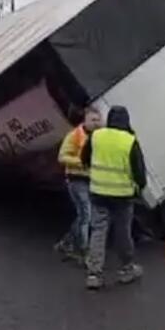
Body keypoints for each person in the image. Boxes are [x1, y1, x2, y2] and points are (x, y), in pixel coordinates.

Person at [80, 105, 147, 290]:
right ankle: (126, 269)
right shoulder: (129, 141)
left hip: (98, 193)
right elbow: (139, 174)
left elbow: (84, 158)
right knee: (122, 232)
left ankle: (94, 274)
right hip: (122, 196)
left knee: (98, 231)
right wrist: (138, 188)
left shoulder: (96, 136)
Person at [54, 106, 102, 264]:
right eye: (93, 120)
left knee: (84, 215)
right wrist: (81, 162)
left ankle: (66, 242)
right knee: (86, 214)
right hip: (76, 179)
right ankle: (84, 250)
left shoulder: (98, 136)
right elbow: (62, 157)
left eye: (98, 120)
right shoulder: (75, 135)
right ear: (85, 120)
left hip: (91, 180)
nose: (96, 123)